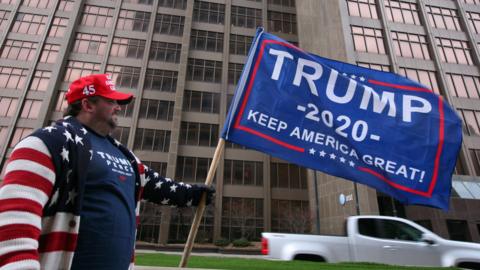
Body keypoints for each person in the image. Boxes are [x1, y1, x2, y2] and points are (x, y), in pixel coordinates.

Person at [0, 74, 215, 270]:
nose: (118, 107)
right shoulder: (48, 142)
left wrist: (194, 194)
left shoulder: (126, 156)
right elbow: (13, 220)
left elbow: (160, 187)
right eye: (111, 101)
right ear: (87, 105)